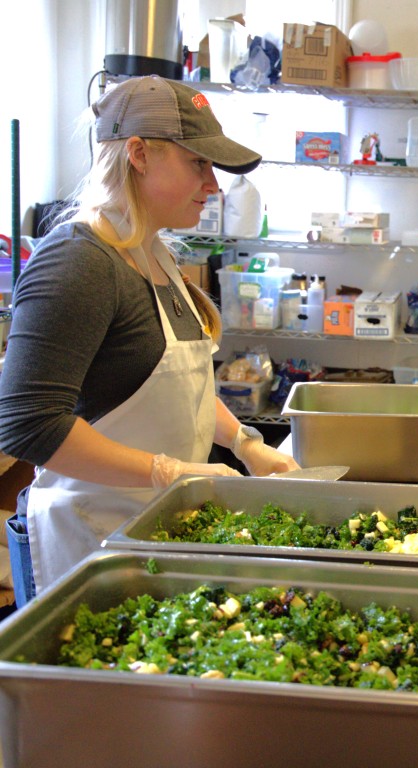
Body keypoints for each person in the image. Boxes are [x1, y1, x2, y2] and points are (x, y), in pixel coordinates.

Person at [0, 75, 300, 605]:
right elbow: (27, 424)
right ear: (138, 154)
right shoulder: (80, 261)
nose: (213, 185)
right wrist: (171, 472)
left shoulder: (155, 255)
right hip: (92, 542)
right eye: (198, 163)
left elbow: (182, 391)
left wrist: (245, 445)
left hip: (153, 529)